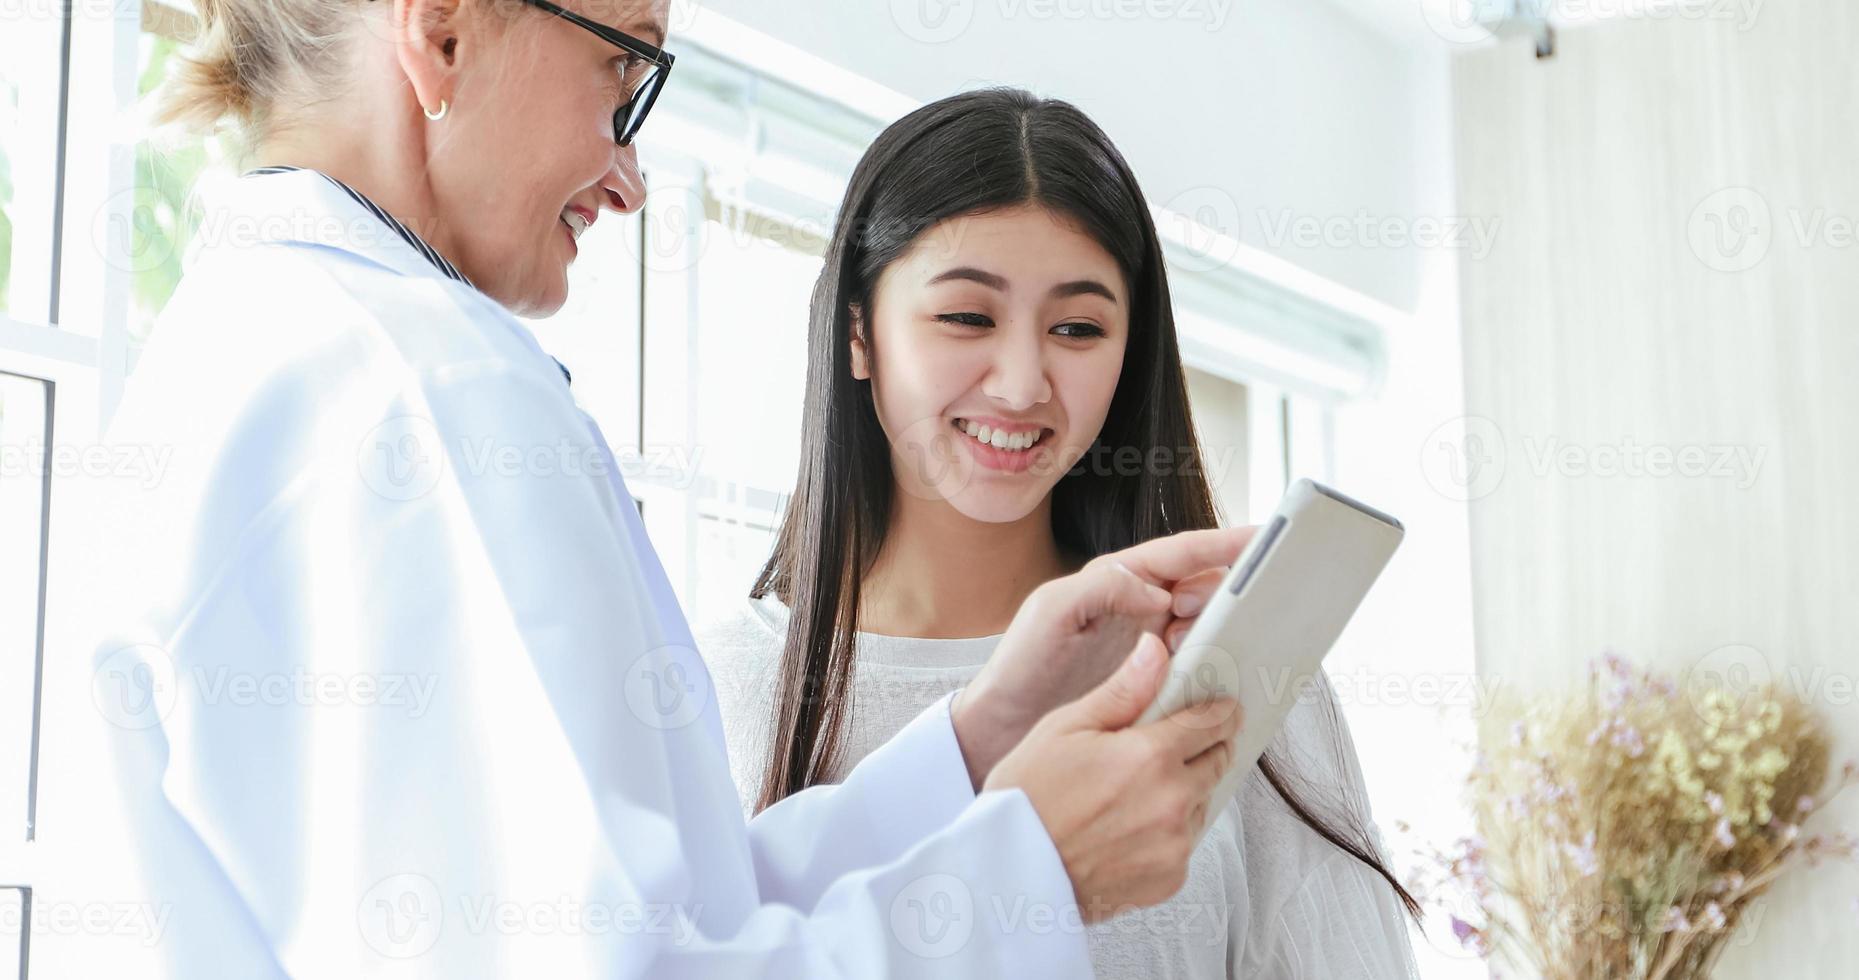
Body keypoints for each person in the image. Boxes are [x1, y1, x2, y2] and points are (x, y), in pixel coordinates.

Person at [69, 1, 1254, 976]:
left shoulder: (267, 347)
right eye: (621, 68)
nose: (628, 175)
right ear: (442, 36)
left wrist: (977, 737)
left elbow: (665, 925)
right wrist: (1033, 870)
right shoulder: (428, 395)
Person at [700, 89, 1423, 978]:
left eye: (1077, 328)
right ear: (859, 332)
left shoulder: (1236, 670)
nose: (1018, 384)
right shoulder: (714, 692)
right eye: (966, 317)